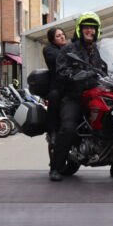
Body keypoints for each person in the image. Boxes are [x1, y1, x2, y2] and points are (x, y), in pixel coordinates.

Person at [48, 12, 108, 182]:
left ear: (97, 30)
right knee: (68, 128)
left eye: (93, 27)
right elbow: (61, 71)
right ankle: (55, 167)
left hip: (95, 94)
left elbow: (105, 67)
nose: (90, 30)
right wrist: (74, 75)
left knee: (112, 118)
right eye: (86, 27)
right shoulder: (69, 49)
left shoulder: (97, 50)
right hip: (75, 96)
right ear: (80, 29)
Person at [43, 26, 67, 176]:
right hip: (58, 86)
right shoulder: (49, 50)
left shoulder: (70, 48)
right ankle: (52, 133)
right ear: (52, 39)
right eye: (58, 36)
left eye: (63, 34)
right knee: (54, 97)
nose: (62, 37)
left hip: (73, 85)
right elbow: (59, 59)